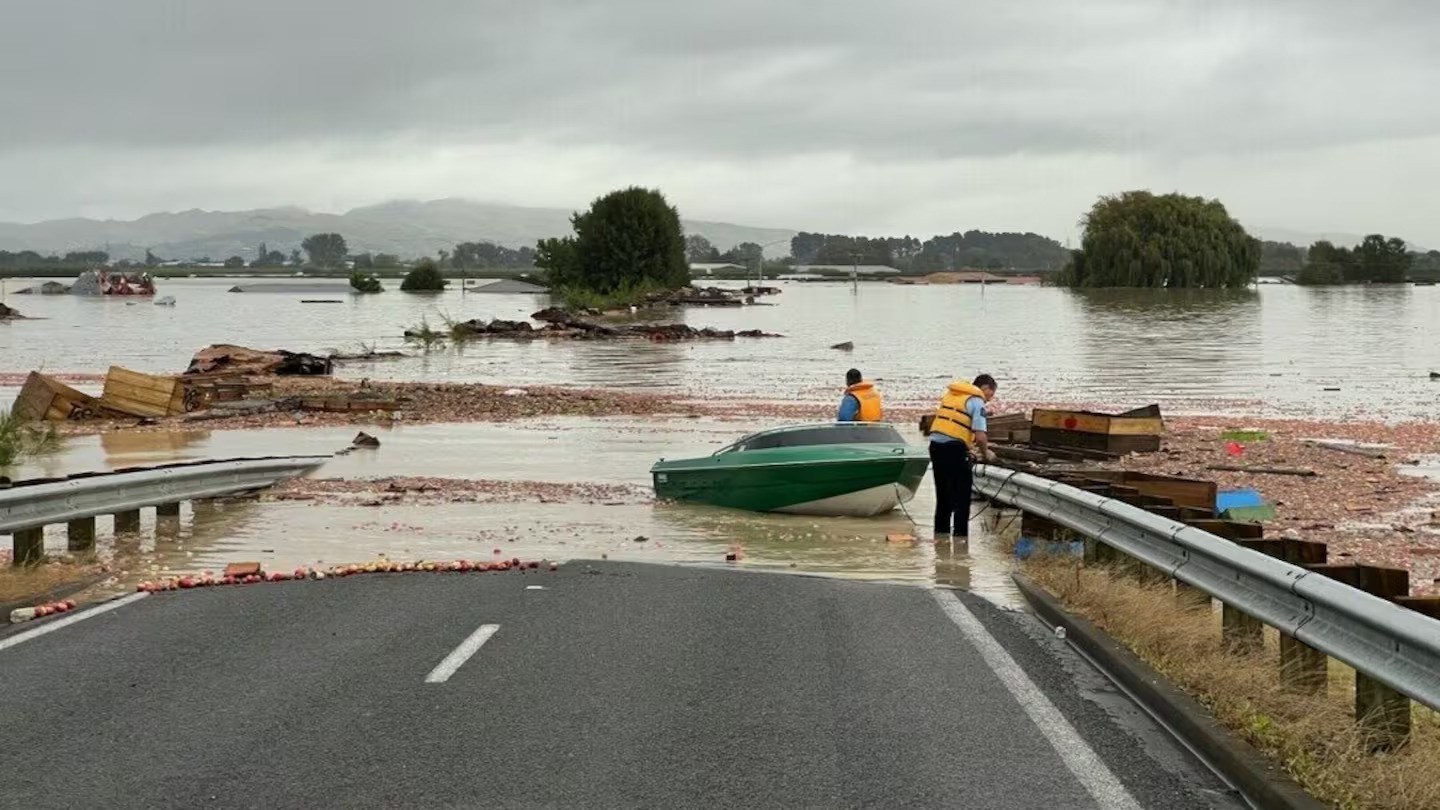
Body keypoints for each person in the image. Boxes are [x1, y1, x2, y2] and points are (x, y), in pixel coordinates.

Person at [926, 374, 998, 538]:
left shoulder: (953, 395)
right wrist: (986, 453)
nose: (989, 399)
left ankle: (941, 537)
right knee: (962, 497)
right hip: (955, 448)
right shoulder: (977, 401)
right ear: (985, 388)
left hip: (936, 446)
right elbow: (980, 436)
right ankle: (960, 539)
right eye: (991, 394)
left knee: (943, 496)